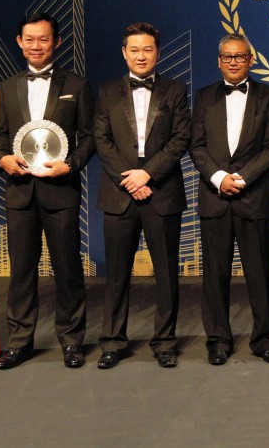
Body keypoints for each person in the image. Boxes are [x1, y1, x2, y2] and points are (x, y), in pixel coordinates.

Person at [0, 13, 95, 370]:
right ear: (19, 43)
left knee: (68, 269)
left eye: (44, 39)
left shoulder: (77, 85)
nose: (36, 46)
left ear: (57, 42)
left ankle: (72, 341)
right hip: (20, 192)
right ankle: (19, 343)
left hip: (61, 191)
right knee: (21, 271)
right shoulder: (7, 87)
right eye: (30, 39)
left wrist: (72, 164)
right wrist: (2, 158)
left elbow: (89, 137)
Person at [94, 22, 189, 369]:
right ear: (124, 53)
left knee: (166, 273)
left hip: (161, 192)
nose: (141, 56)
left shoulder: (176, 90)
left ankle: (164, 342)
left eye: (147, 49)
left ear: (158, 53)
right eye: (134, 50)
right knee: (117, 275)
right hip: (119, 194)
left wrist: (147, 174)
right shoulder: (107, 91)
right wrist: (130, 179)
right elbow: (101, 140)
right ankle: (112, 341)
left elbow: (181, 138)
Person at [189, 33, 269, 365]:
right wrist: (219, 178)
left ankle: (266, 339)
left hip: (254, 196)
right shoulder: (203, 97)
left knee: (260, 273)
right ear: (219, 61)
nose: (233, 62)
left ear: (250, 60)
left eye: (239, 56)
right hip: (214, 197)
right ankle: (218, 340)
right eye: (227, 57)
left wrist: (241, 178)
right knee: (214, 275)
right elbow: (196, 146)